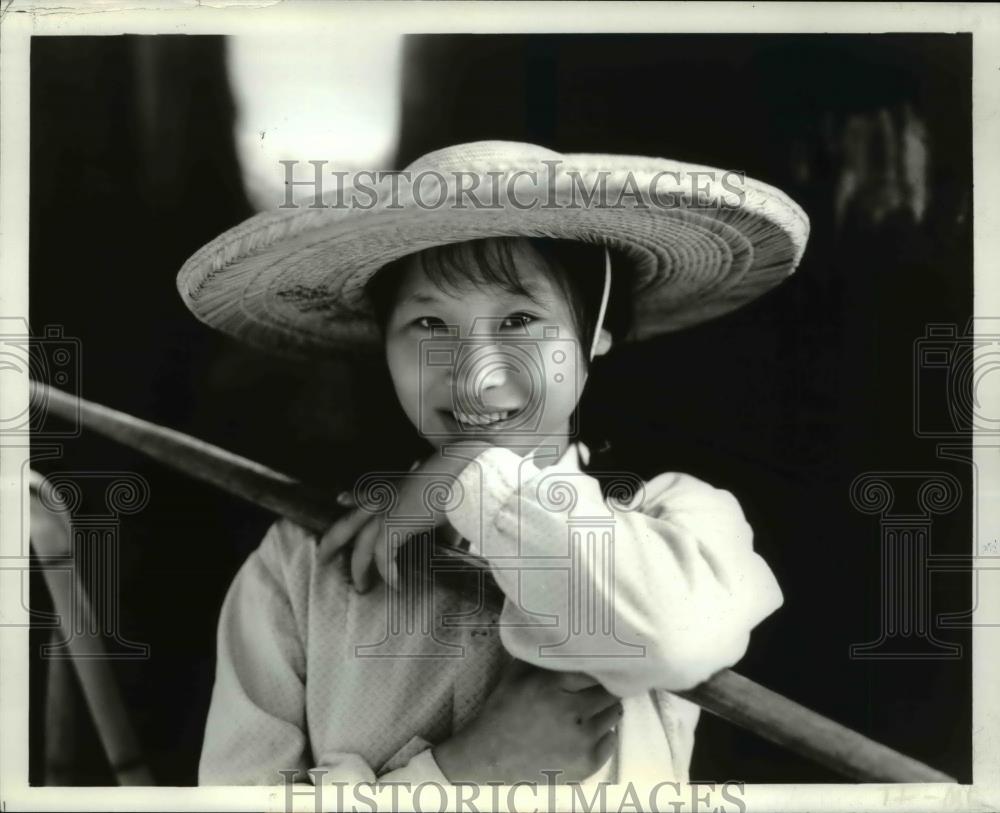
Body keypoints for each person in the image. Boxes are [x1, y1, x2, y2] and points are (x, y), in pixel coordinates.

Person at [177, 141, 810, 787]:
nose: (477, 376)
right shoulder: (303, 562)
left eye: (519, 319)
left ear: (594, 334)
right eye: (429, 323)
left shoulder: (678, 520)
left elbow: (671, 638)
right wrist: (465, 770)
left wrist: (468, 473)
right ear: (383, 342)